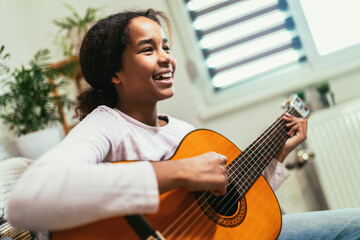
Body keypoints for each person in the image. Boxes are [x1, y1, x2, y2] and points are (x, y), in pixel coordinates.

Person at [6, 8, 359, 240]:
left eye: (166, 47)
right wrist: (176, 172)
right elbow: (26, 201)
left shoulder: (184, 132)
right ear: (114, 72)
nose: (166, 59)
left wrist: (276, 154)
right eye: (148, 50)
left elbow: (230, 212)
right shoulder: (107, 124)